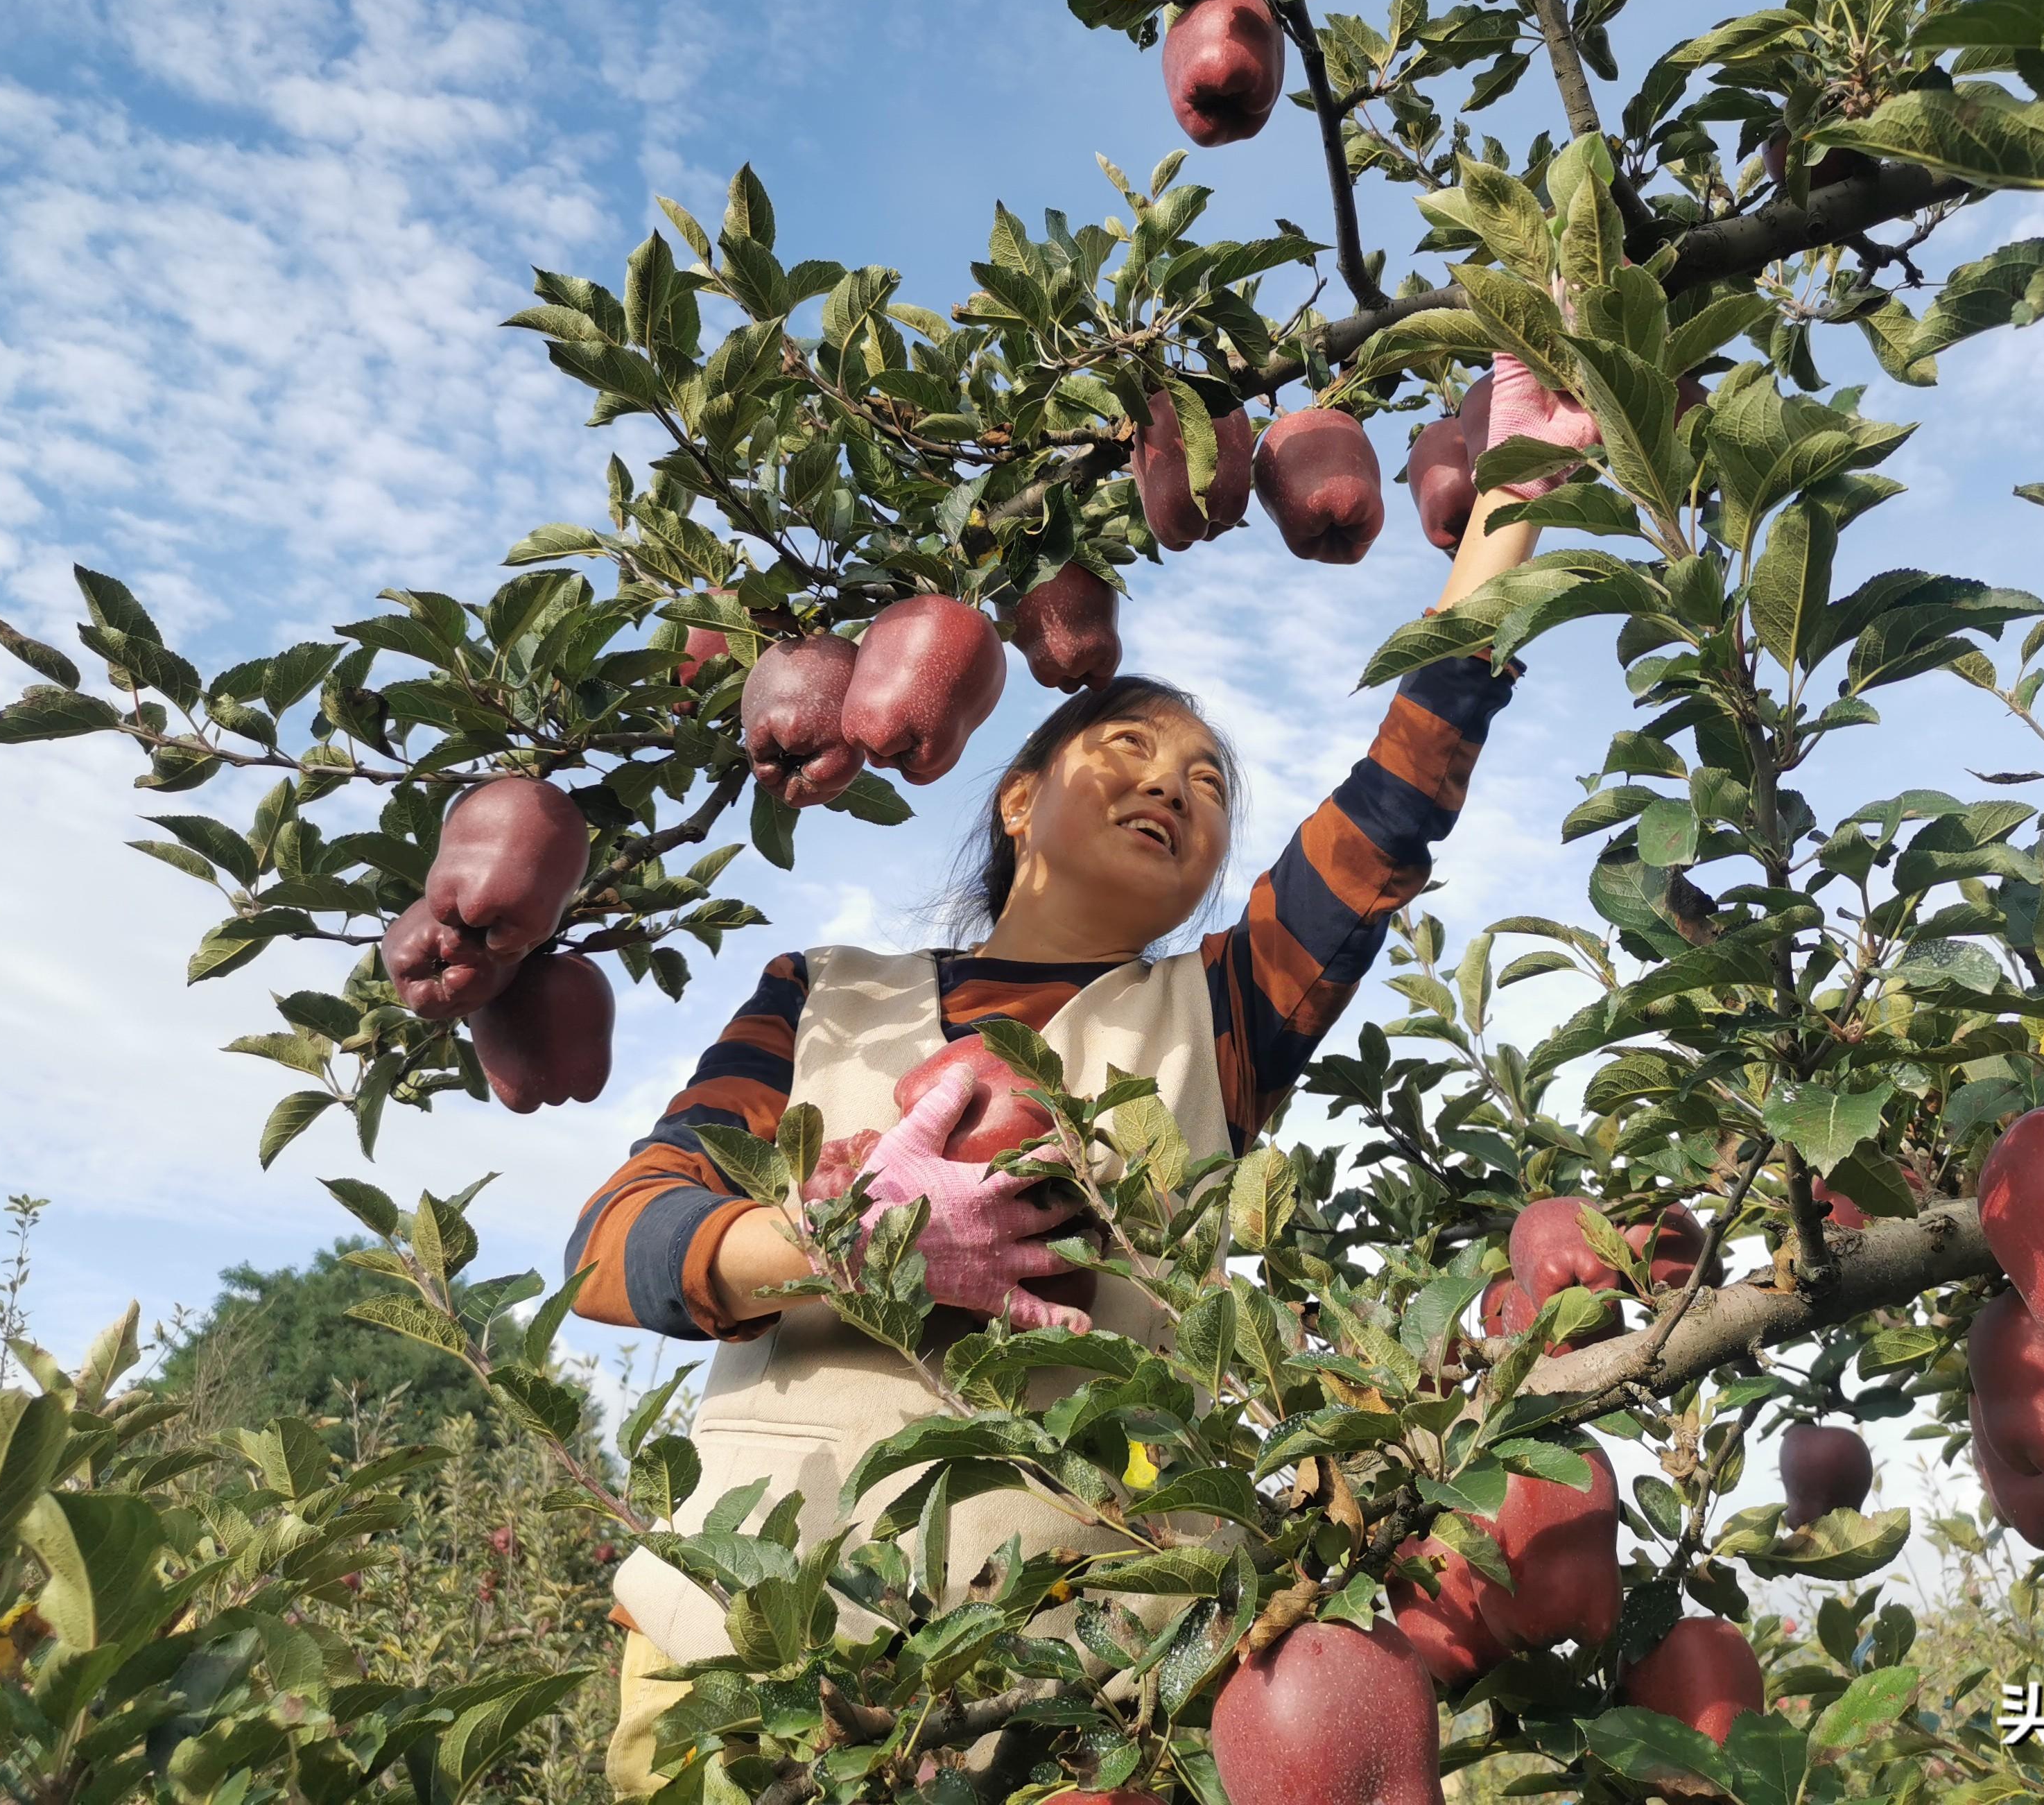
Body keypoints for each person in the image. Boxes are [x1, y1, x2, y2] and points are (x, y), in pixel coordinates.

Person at [570, 363, 1593, 1797]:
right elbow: (614, 1246)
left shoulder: (1222, 1013)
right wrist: (842, 1242)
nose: (1174, 783)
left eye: (1209, 781)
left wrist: (1516, 502)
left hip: (1092, 1697)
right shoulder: (823, 994)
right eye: (1128, 746)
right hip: (750, 1661)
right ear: (1016, 794)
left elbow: (1398, 797)